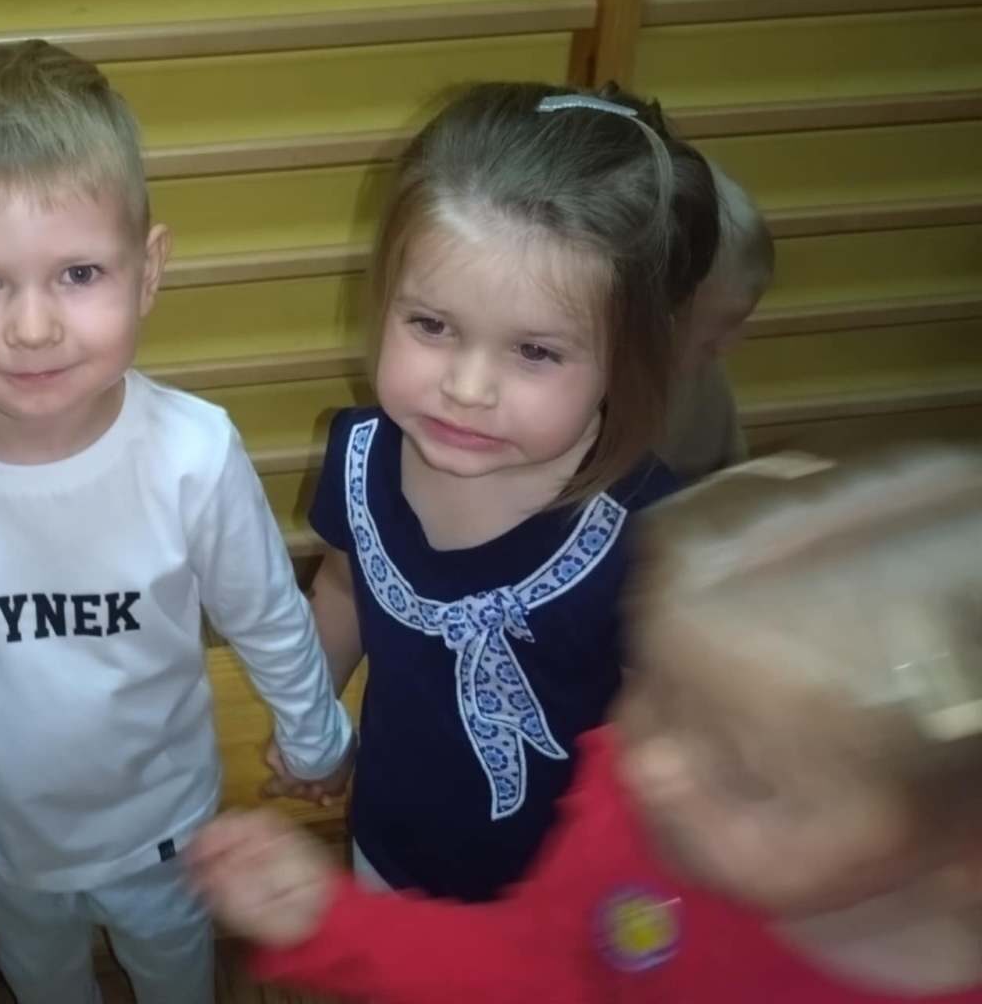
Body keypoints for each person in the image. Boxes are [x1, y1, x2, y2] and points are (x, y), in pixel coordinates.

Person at [0, 39, 354, 1004]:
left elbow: (266, 613)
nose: (33, 328)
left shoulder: (193, 453)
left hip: (163, 827)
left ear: (148, 270)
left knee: (175, 976)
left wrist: (313, 734)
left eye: (78, 273)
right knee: (40, 977)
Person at [190, 446, 982, 1002]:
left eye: (744, 776)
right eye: (658, 693)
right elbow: (536, 963)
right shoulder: (633, 805)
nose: (654, 767)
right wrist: (331, 920)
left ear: (960, 854)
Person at [282, 82, 719, 901]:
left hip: (565, 896)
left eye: (536, 352)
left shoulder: (652, 535)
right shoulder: (361, 456)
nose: (468, 388)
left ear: (630, 358)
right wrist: (312, 726)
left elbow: (667, 746)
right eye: (431, 325)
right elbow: (340, 592)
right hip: (388, 844)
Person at [657, 161, 775, 479]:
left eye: (738, 322)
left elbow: (730, 480)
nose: (730, 345)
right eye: (713, 336)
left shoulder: (703, 379)